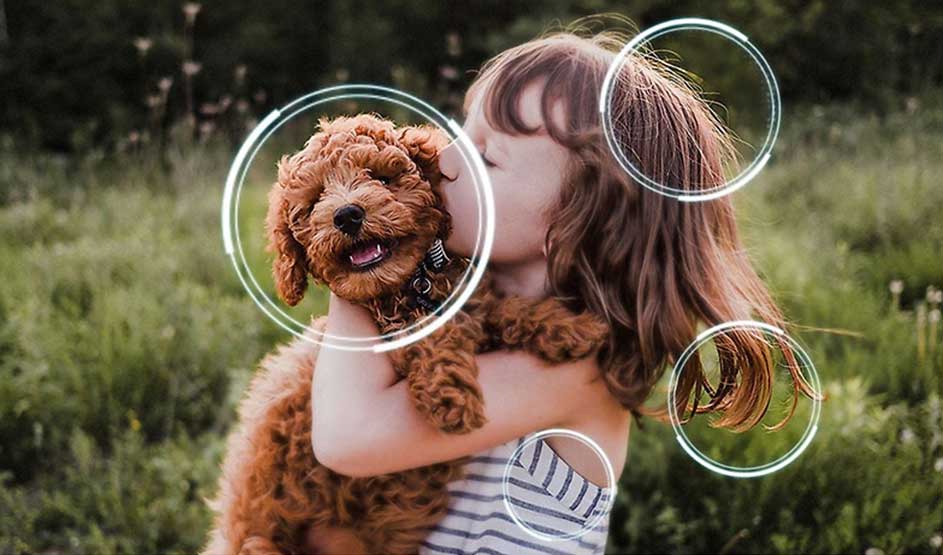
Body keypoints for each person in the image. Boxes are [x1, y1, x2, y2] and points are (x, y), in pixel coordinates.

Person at [309, 18, 809, 555]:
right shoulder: (467, 319)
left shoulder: (571, 370)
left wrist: (356, 270)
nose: (442, 161)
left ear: (573, 224)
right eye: (460, 131)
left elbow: (346, 438)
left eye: (486, 157)